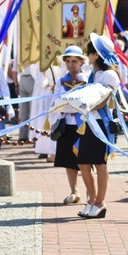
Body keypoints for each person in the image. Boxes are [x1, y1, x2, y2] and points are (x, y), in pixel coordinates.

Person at [76, 33, 121, 219]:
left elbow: (104, 101)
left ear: (97, 55)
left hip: (101, 122)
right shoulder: (94, 73)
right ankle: (92, 200)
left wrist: (82, 104)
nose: (88, 56)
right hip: (89, 121)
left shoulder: (110, 74)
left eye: (90, 53)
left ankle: (100, 202)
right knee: (83, 162)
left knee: (99, 163)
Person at [51, 45, 89, 205]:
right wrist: (67, 107)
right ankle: (74, 191)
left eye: (74, 61)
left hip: (84, 124)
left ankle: (90, 193)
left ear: (81, 62)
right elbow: (55, 102)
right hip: (67, 124)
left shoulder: (87, 79)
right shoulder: (61, 81)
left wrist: (71, 106)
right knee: (68, 159)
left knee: (87, 159)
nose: (71, 64)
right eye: (68, 61)